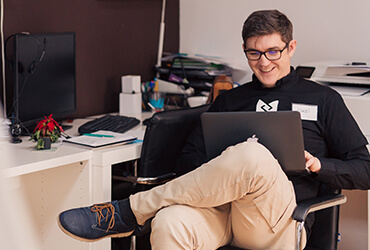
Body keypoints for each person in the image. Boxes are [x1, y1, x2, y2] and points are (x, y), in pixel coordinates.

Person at [58, 10, 370, 249]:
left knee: (253, 155)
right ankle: (141, 212)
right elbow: (187, 160)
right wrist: (223, 166)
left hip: (278, 222)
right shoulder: (230, 100)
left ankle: (129, 211)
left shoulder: (324, 99)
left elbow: (364, 170)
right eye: (254, 53)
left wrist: (318, 165)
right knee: (169, 221)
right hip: (220, 212)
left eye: (273, 51)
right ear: (245, 50)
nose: (263, 63)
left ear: (291, 47)